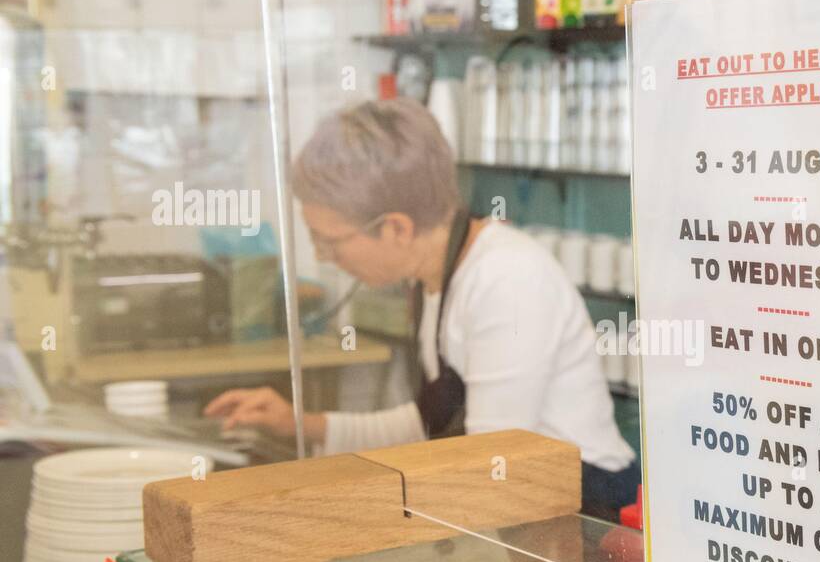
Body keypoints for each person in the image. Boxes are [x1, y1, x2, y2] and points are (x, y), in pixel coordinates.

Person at [204, 98, 638, 519]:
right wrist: (300, 424)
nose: (321, 256)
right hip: (515, 505)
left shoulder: (507, 279)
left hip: (586, 515)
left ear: (396, 228)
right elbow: (427, 422)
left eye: (329, 240)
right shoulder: (435, 278)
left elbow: (490, 468)